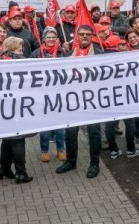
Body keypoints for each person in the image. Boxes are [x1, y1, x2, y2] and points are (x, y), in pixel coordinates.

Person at [55, 25, 105, 179]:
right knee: (70, 132)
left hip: (93, 100)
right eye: (81, 34)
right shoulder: (70, 54)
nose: (84, 37)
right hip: (74, 99)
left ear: (92, 36)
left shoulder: (99, 54)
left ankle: (94, 163)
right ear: (77, 36)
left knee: (94, 133)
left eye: (87, 34)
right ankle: (71, 161)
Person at [0, 37, 34, 183]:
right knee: (18, 139)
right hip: (14, 106)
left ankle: (4, 169)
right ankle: (21, 172)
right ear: (11, 50)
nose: (22, 52)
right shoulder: (13, 64)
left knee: (7, 139)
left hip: (6, 106)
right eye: (19, 49)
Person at [30, 28, 68, 163]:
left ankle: (61, 150)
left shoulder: (62, 52)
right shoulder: (36, 54)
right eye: (48, 37)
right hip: (42, 95)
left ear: (57, 38)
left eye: (53, 37)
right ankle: (44, 151)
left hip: (59, 94)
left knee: (60, 125)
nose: (51, 39)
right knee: (45, 126)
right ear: (43, 39)